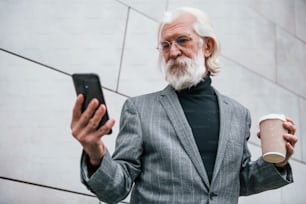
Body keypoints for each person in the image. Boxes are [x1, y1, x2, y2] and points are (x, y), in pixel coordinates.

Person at [70, 7, 297, 204]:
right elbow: (117, 188)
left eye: (182, 40)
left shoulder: (239, 114)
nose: (173, 52)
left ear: (207, 46)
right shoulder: (139, 110)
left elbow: (239, 181)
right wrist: (95, 152)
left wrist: (277, 162)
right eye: (165, 45)